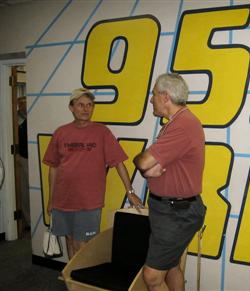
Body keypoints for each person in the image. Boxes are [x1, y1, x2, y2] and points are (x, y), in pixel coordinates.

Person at [43, 88, 143, 259]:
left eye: (89, 105)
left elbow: (118, 163)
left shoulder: (102, 132)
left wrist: (130, 192)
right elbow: (54, 168)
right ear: (71, 107)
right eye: (81, 105)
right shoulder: (60, 132)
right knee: (70, 239)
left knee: (82, 245)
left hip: (88, 201)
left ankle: (80, 282)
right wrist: (51, 200)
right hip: (63, 200)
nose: (86, 109)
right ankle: (71, 281)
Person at [133, 73, 206, 291]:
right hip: (168, 208)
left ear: (165, 96)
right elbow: (151, 169)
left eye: (153, 94)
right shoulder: (176, 123)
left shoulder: (182, 125)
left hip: (176, 212)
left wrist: (141, 162)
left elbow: (144, 162)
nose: (151, 99)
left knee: (153, 277)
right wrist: (147, 170)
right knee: (172, 266)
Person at [17, 96, 30, 230]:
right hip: (24, 157)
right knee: (25, 190)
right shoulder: (17, 119)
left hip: (31, 156)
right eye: (21, 103)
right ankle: (28, 220)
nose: (24, 105)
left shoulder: (32, 116)